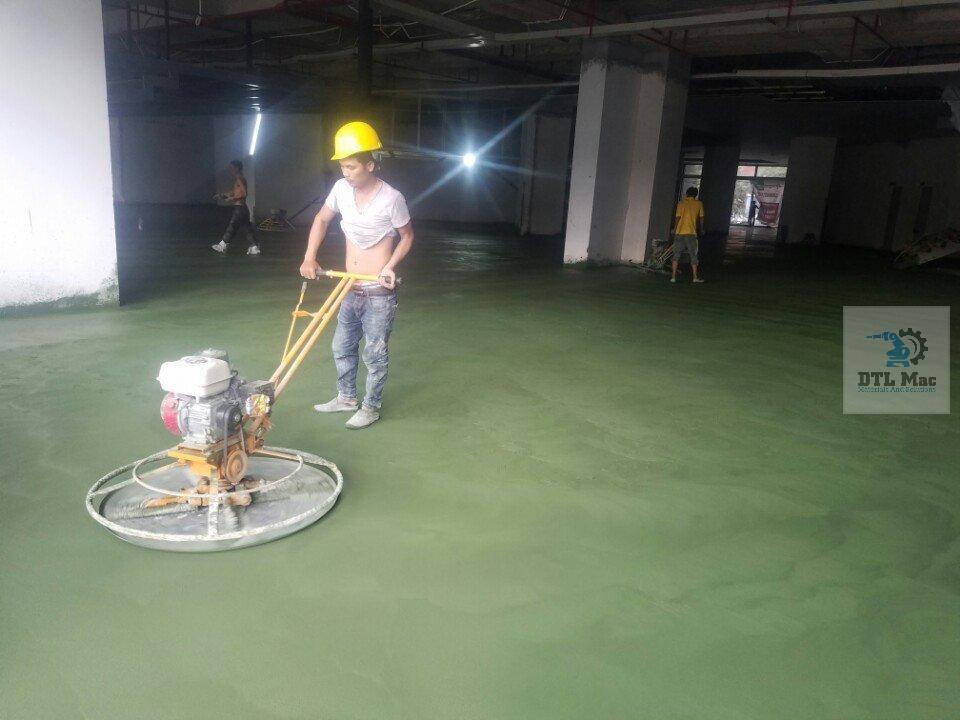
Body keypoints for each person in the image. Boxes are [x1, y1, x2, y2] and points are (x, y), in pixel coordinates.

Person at [299, 121, 414, 430]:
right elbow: (321, 219)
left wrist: (389, 266)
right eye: (342, 166)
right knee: (341, 346)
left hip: (378, 291)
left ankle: (370, 407)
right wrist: (309, 256)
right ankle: (346, 398)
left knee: (374, 354)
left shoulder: (392, 198)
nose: (345, 173)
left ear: (370, 165)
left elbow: (407, 236)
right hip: (349, 286)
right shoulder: (340, 190)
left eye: (351, 167)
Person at [211, 159, 260, 255]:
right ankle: (254, 247)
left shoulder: (240, 179)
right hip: (243, 209)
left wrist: (231, 199)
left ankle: (222, 245)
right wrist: (222, 195)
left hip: (240, 209)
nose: (230, 170)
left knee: (232, 226)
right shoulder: (239, 179)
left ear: (237, 168)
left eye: (232, 167)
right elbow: (235, 192)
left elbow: (244, 193)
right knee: (247, 228)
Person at [671, 186, 705, 283]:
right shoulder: (699, 204)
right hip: (691, 232)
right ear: (696, 195)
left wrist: (674, 229)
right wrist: (702, 229)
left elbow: (678, 217)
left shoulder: (681, 203)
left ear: (686, 194)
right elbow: (701, 218)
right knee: (693, 255)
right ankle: (694, 277)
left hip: (679, 232)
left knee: (676, 255)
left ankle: (673, 277)